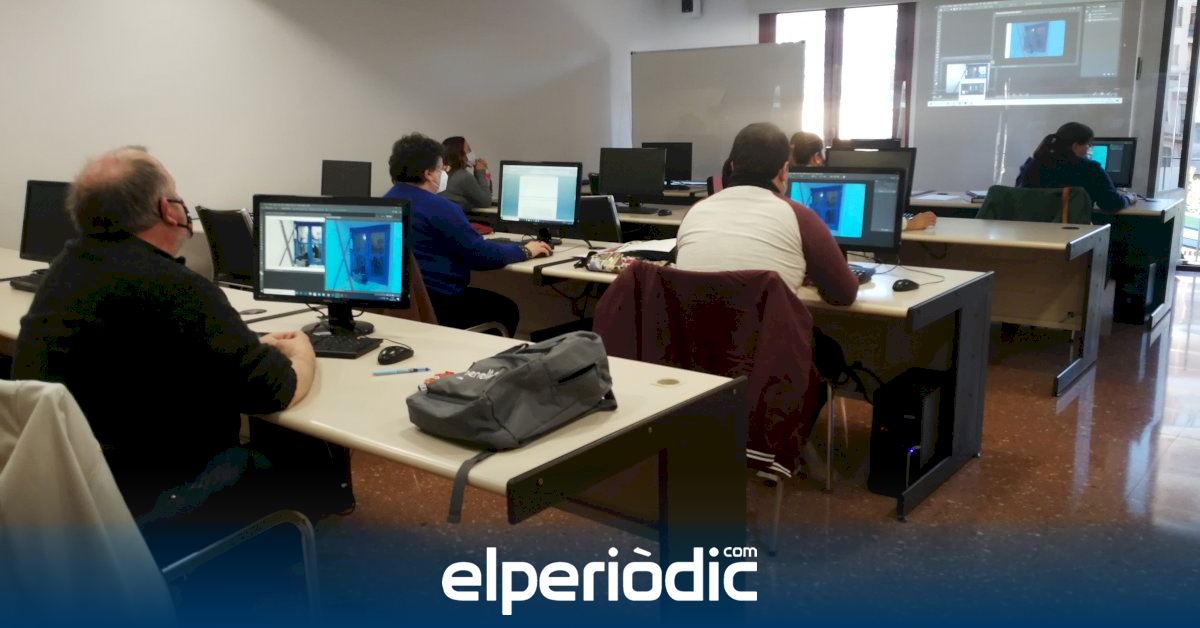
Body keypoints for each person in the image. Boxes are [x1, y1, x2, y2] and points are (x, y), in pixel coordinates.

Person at [13, 146, 347, 560]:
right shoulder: (176, 287)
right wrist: (303, 350)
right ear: (168, 210)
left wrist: (239, 345)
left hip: (67, 501)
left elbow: (140, 349)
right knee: (293, 459)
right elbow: (275, 389)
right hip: (151, 505)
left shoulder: (66, 271)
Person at [384, 133, 551, 336]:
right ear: (428, 174)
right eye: (441, 169)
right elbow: (480, 255)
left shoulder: (385, 202)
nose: (444, 173)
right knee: (506, 310)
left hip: (397, 307)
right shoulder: (440, 207)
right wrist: (525, 250)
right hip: (439, 304)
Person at [677, 122, 859, 306]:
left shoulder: (695, 211)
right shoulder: (800, 216)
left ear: (732, 166)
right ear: (785, 170)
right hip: (766, 325)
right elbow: (843, 294)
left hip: (694, 324)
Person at [791, 130, 936, 231]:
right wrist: (910, 224)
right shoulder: (820, 185)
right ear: (816, 158)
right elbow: (868, 219)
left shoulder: (787, 186)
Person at [1016, 121, 1135, 213]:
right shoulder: (1090, 169)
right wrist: (1128, 198)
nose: (1089, 148)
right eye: (1088, 144)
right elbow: (1111, 205)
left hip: (1030, 230)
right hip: (1072, 233)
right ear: (1075, 146)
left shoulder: (1031, 165)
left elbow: (1021, 197)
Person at [441, 136, 494, 212]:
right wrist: (480, 172)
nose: (471, 153)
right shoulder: (463, 176)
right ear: (460, 154)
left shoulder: (442, 173)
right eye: (469, 150)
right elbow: (486, 202)